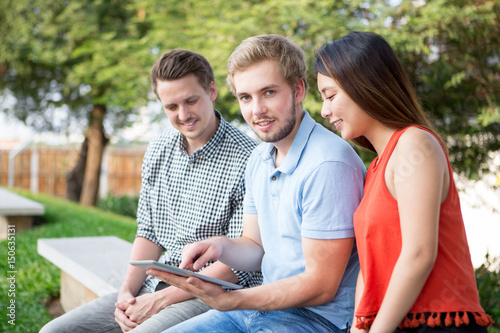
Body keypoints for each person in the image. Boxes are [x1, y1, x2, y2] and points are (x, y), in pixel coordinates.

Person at [149, 34, 366, 333]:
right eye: (246, 97)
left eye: (269, 93)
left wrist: (232, 299)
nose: (257, 110)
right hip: (262, 308)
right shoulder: (261, 157)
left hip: (315, 321)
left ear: (298, 89)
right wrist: (218, 246)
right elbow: (254, 246)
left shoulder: (328, 164)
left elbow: (321, 286)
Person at [40, 49, 262, 333]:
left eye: (191, 101)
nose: (184, 115)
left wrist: (159, 301)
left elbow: (237, 266)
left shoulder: (249, 159)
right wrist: (126, 294)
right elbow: (149, 232)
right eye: (171, 107)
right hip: (156, 283)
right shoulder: (158, 149)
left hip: (210, 294)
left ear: (212, 91)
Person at [314, 31, 494, 333]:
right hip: (393, 323)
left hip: (437, 323)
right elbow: (370, 268)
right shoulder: (375, 168)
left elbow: (419, 254)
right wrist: (360, 327)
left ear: (365, 85)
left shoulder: (415, 145)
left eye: (331, 96)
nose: (324, 110)